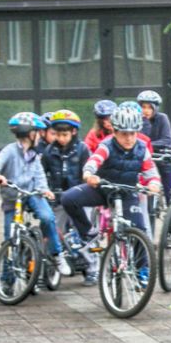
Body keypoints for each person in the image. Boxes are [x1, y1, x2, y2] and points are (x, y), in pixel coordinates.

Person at [60, 103, 161, 282]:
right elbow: (94, 160)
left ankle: (142, 271)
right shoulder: (106, 145)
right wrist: (89, 174)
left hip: (127, 193)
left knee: (140, 231)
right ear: (114, 131)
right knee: (68, 198)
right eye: (124, 133)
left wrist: (154, 184)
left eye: (133, 133)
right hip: (103, 189)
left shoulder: (142, 149)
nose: (129, 138)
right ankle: (87, 233)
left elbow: (151, 172)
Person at [0, 112, 70, 276]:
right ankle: (7, 281)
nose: (40, 136)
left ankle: (56, 254)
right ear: (29, 133)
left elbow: (39, 175)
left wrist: (45, 189)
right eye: (38, 132)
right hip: (13, 196)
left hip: (32, 194)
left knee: (47, 217)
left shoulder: (34, 155)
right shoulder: (10, 151)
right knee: (9, 237)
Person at [42, 109, 97, 286]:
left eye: (65, 134)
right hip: (58, 198)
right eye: (57, 134)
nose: (61, 138)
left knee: (86, 233)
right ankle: (51, 268)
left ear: (73, 132)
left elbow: (87, 172)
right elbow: (43, 173)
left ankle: (92, 269)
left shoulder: (82, 149)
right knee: (53, 231)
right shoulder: (49, 152)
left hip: (78, 198)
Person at [137, 90, 171, 202]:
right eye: (143, 107)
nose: (146, 111)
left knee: (169, 190)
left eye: (150, 107)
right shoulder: (139, 121)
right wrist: (145, 123)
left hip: (162, 158)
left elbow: (167, 140)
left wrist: (148, 145)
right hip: (145, 159)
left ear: (155, 108)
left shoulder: (162, 118)